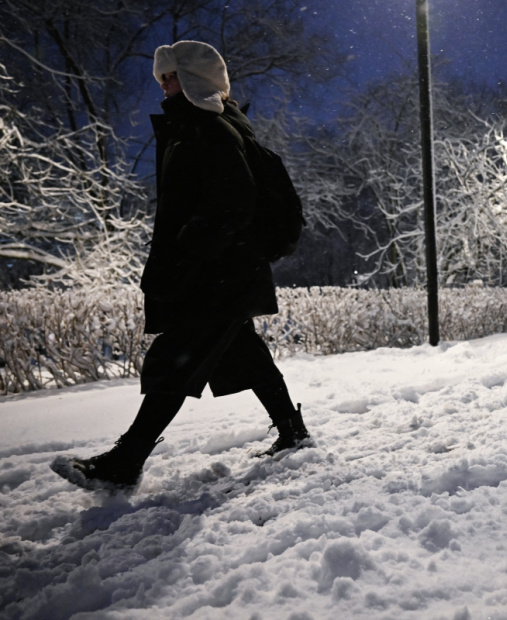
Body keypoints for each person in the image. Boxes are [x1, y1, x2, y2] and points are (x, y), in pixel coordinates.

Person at [51, 41, 312, 492]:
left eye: (171, 77)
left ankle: (125, 462)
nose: (163, 85)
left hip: (216, 274)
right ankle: (293, 431)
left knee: (176, 360)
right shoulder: (201, 125)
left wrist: (189, 249)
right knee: (245, 354)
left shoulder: (207, 128)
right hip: (225, 271)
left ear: (195, 79)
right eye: (162, 77)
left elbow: (233, 203)